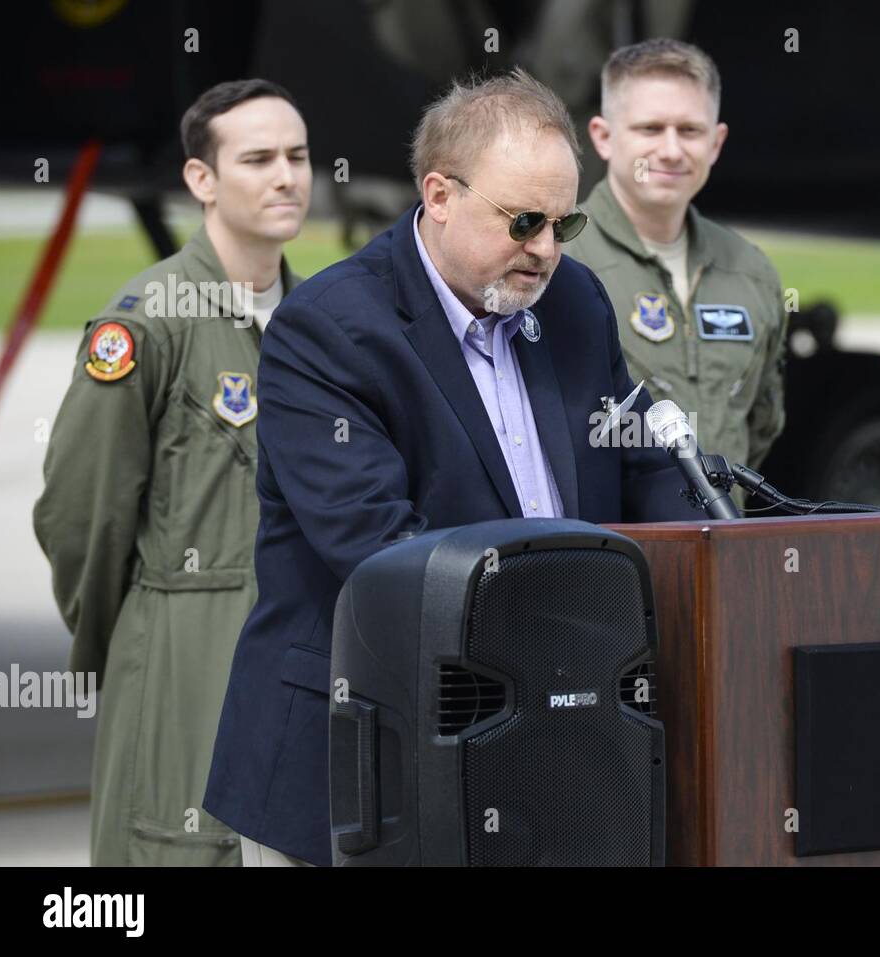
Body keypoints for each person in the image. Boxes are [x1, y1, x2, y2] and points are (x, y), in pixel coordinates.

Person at [203, 68, 698, 866]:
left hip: (545, 749)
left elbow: (643, 468)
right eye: (523, 221)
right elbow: (379, 550)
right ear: (439, 195)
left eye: (563, 225)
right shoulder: (329, 331)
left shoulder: (573, 306)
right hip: (364, 763)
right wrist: (570, 624)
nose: (543, 250)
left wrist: (728, 552)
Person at [32, 79, 311, 866]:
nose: (287, 176)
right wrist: (137, 646)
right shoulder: (145, 321)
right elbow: (79, 512)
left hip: (298, 673)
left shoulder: (322, 322)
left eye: (297, 155)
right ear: (202, 180)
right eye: (257, 159)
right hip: (181, 665)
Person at [574, 38, 788, 482]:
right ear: (603, 137)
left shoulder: (750, 272)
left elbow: (762, 423)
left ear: (716, 142)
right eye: (650, 129)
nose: (671, 150)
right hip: (608, 547)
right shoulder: (560, 260)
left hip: (724, 540)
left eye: (690, 131)